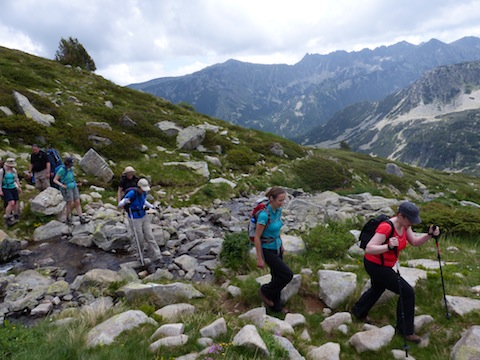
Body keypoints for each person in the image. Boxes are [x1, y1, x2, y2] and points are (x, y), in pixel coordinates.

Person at [351, 201, 441, 343]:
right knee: (407, 292)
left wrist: (429, 235)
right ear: (400, 216)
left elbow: (415, 242)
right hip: (375, 265)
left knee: (378, 287)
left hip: (384, 265)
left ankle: (358, 311)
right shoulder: (386, 227)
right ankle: (405, 331)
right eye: (410, 220)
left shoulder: (405, 226)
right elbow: (369, 248)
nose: (412, 223)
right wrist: (388, 246)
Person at [254, 186, 293, 314]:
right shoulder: (264, 216)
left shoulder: (278, 211)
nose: (282, 203)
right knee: (287, 275)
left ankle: (276, 307)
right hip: (267, 250)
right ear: (271, 199)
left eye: (283, 200)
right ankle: (265, 291)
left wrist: (281, 244)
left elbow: (277, 230)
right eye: (280, 200)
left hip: (276, 247)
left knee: (277, 276)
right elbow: (257, 237)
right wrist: (259, 258)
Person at [118, 178, 162, 272]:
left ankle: (157, 256)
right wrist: (125, 201)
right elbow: (120, 203)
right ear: (139, 187)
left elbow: (144, 201)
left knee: (149, 236)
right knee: (139, 238)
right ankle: (140, 257)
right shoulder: (132, 193)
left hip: (143, 215)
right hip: (134, 218)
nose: (144, 190)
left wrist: (152, 207)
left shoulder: (143, 193)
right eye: (143, 188)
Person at [53, 157, 88, 225]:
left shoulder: (70, 169)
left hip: (73, 186)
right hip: (67, 188)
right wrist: (61, 185)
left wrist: (77, 184)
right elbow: (55, 180)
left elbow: (71, 177)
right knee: (70, 203)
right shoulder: (62, 170)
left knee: (77, 201)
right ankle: (68, 218)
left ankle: (81, 217)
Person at [0, 158, 22, 226]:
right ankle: (7, 217)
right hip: (5, 188)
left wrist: (19, 186)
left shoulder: (13, 171)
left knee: (16, 201)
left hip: (13, 187)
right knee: (11, 202)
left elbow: (16, 179)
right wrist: (0, 190)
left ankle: (15, 214)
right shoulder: (2, 171)